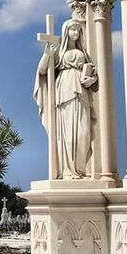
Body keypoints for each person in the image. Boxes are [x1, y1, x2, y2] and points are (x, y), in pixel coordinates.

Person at [34, 19, 97, 178]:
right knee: (67, 135)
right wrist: (47, 54)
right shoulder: (59, 52)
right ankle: (67, 170)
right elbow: (42, 71)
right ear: (66, 32)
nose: (75, 33)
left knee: (83, 133)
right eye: (72, 30)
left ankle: (80, 170)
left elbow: (94, 75)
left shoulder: (84, 54)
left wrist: (91, 80)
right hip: (64, 91)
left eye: (77, 30)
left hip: (82, 92)